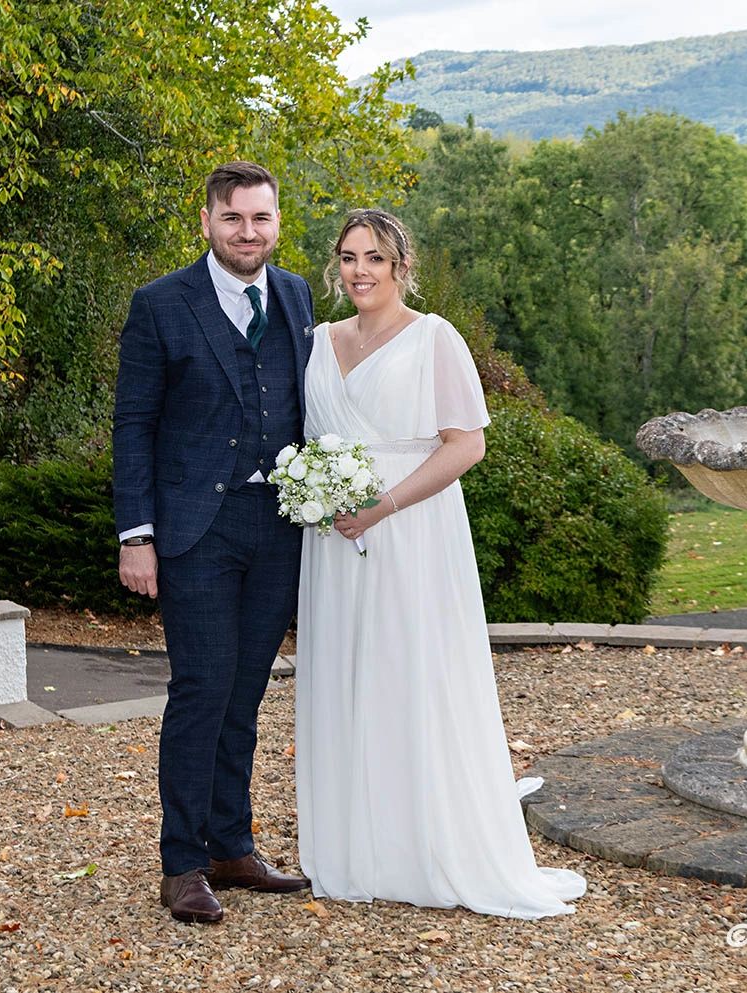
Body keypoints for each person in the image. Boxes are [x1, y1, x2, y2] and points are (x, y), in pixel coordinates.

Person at [295, 208, 586, 917]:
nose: (359, 270)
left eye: (374, 257)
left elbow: (465, 445)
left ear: (400, 266)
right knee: (346, 676)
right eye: (348, 256)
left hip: (411, 531)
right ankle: (357, 844)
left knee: (411, 675)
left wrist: (382, 505)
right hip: (332, 541)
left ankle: (424, 842)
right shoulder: (314, 341)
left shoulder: (434, 337)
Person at [112, 161, 314, 924]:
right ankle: (182, 862)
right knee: (201, 689)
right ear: (207, 222)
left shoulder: (295, 295)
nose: (247, 232)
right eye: (233, 218)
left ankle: (232, 844)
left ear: (276, 223)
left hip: (277, 526)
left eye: (260, 218)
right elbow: (133, 425)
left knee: (248, 690)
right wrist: (138, 535)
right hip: (195, 529)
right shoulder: (161, 303)